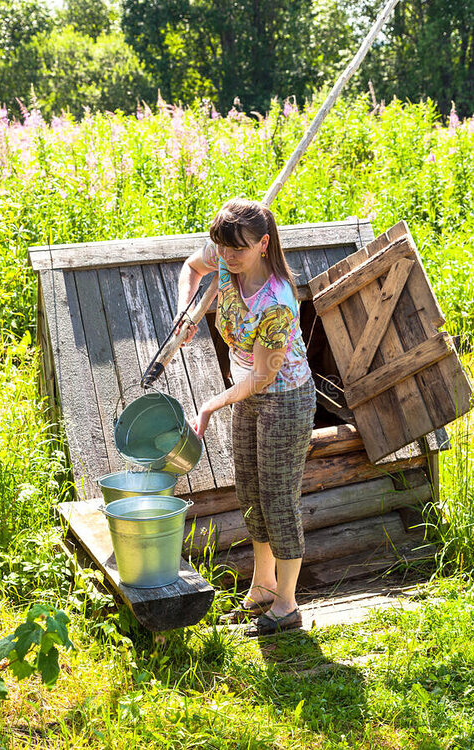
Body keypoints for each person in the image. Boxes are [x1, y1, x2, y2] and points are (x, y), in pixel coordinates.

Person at [176, 198, 316, 634]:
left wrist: (208, 405)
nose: (228, 257)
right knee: (251, 491)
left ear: (263, 244)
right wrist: (186, 309)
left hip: (284, 399)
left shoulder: (277, 302)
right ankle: (262, 588)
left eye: (239, 249)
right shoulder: (223, 256)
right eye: (223, 247)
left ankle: (288, 606)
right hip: (250, 391)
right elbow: (191, 267)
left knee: (278, 499)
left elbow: (260, 379)